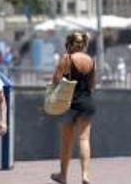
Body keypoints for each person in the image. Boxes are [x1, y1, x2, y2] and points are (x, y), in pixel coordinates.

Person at [50, 32, 96, 184]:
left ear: (69, 45)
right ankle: (85, 175)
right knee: (84, 139)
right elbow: (92, 84)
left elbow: (56, 80)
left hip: (69, 103)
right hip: (86, 102)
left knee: (66, 142)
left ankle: (63, 175)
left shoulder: (67, 59)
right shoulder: (91, 60)